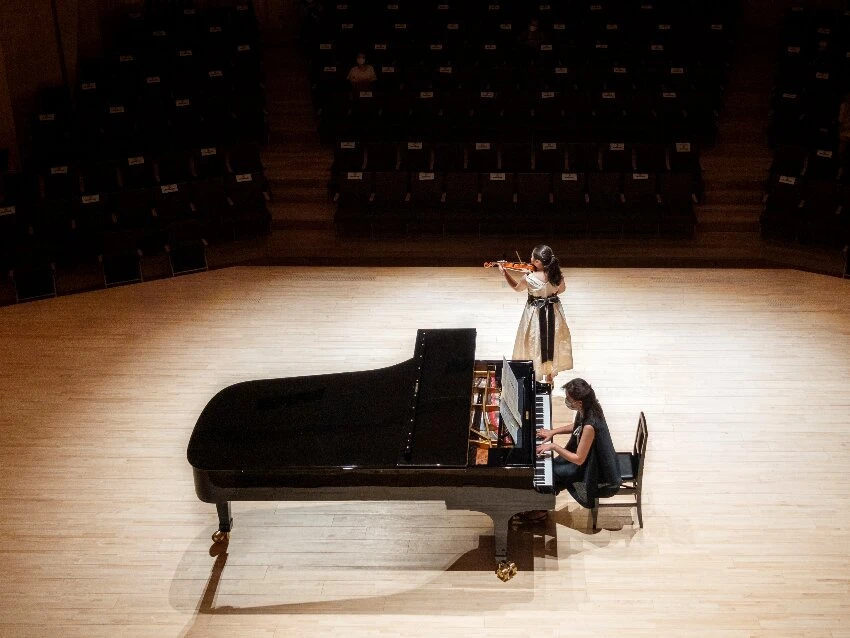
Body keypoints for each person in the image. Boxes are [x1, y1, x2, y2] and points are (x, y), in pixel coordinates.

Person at [524, 378, 622, 522]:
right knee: (552, 466)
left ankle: (541, 509)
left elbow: (578, 459)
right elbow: (577, 426)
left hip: (595, 470)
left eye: (569, 399)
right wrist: (553, 432)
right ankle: (540, 503)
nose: (567, 401)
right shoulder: (590, 407)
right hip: (589, 457)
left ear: (579, 402)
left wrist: (553, 446)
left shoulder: (590, 424)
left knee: (553, 472)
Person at [499, 244, 573, 385]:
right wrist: (549, 293)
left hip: (535, 314)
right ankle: (550, 375)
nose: (530, 259)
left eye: (533, 257)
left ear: (538, 262)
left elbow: (516, 288)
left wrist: (505, 273)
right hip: (553, 313)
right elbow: (562, 289)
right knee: (552, 341)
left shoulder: (529, 278)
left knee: (535, 342)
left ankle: (536, 372)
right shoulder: (557, 275)